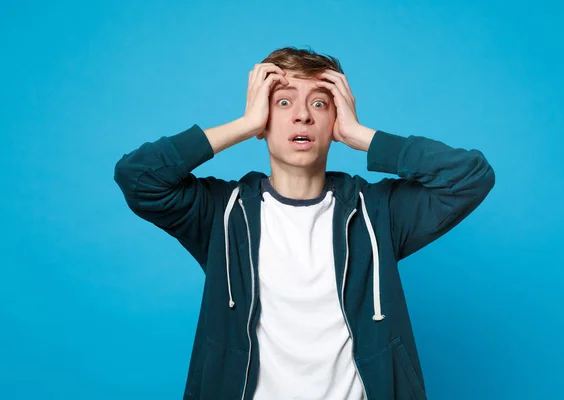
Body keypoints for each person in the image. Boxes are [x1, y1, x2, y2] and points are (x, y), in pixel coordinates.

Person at [114, 46, 495, 400]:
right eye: (283, 102)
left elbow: (470, 177)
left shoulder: (377, 211)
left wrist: (360, 136)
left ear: (336, 120)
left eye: (319, 103)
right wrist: (245, 124)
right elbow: (138, 177)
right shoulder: (222, 212)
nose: (302, 115)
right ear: (263, 118)